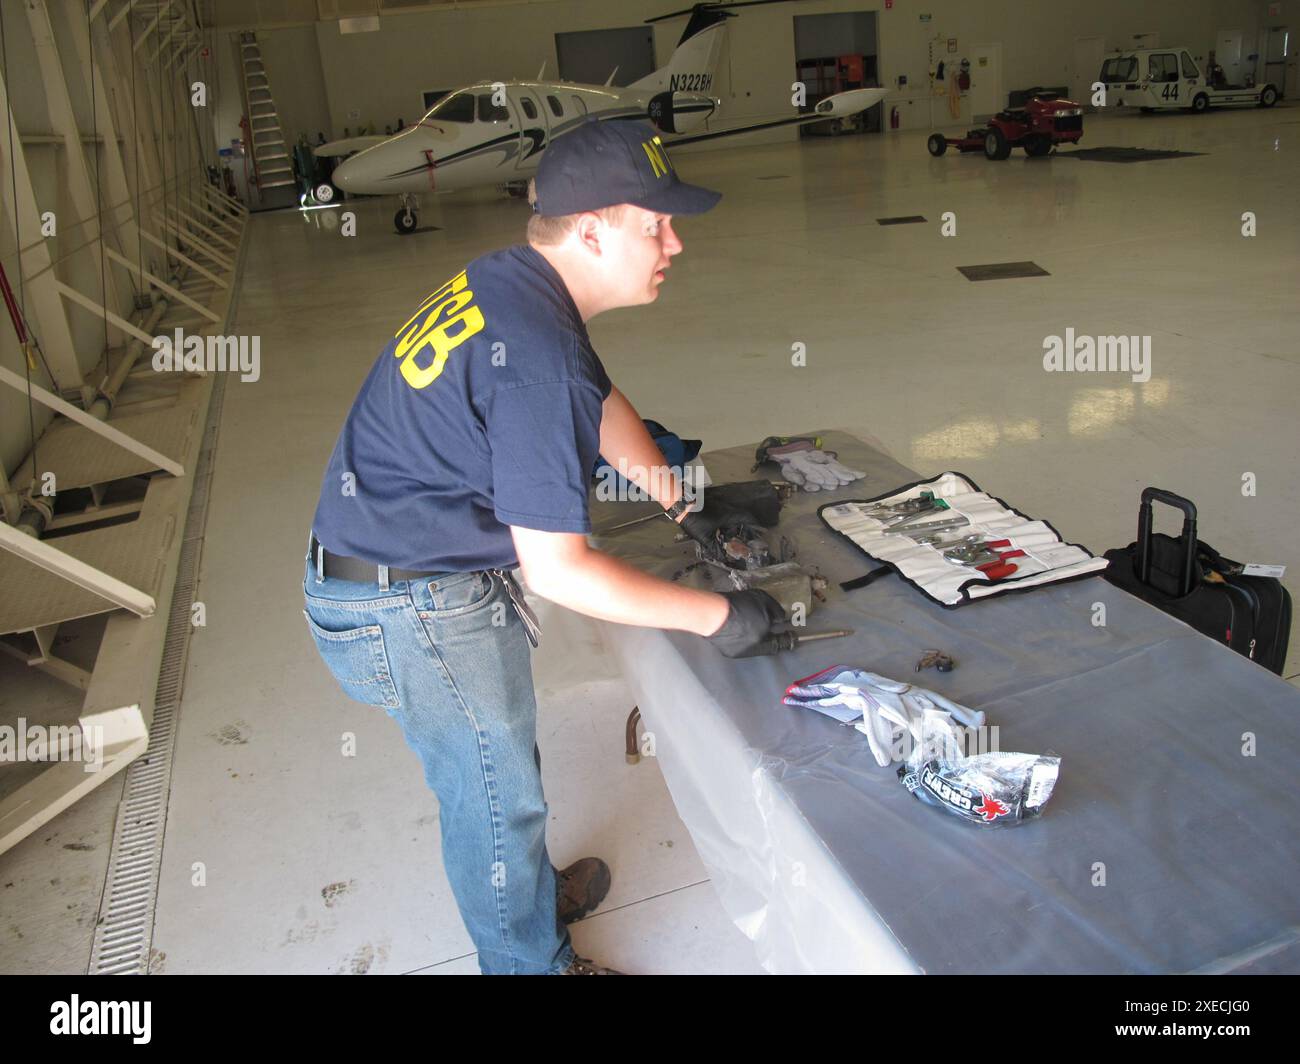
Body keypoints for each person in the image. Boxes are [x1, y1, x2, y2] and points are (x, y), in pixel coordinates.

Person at [303, 117, 786, 975]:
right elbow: (561, 571)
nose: (674, 242)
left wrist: (681, 503)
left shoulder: (514, 281)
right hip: (407, 607)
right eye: (656, 225)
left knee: (498, 776)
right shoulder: (535, 354)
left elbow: (597, 400)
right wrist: (721, 616)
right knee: (494, 799)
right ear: (593, 229)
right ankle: (530, 961)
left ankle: (517, 896)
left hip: (391, 571)